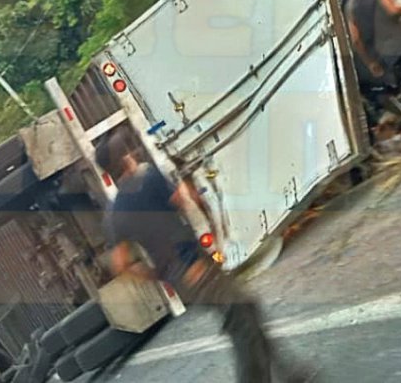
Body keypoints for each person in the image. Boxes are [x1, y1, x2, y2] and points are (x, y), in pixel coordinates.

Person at [95, 129, 316, 383]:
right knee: (242, 320)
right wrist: (187, 180)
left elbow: (119, 264)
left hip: (179, 277)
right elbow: (187, 199)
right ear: (124, 160)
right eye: (128, 151)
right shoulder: (148, 178)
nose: (133, 154)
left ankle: (291, 375)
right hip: (194, 265)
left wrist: (158, 276)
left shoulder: (114, 214)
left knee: (245, 314)